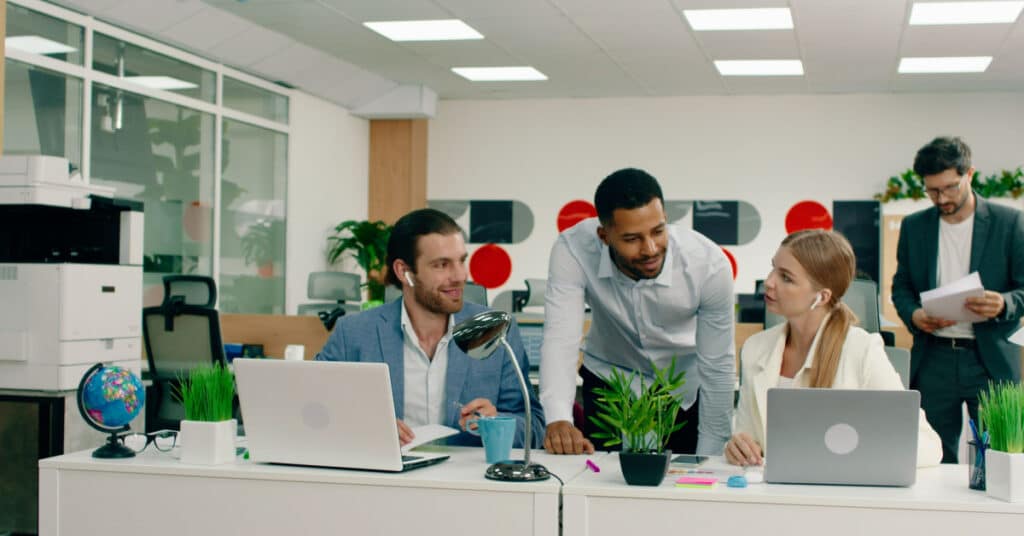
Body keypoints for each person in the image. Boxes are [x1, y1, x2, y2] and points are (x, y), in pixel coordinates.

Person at [541, 168, 736, 455]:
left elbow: (718, 365)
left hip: (682, 388)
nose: (650, 249)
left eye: (658, 231)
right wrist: (557, 419)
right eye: (632, 239)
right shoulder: (573, 249)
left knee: (683, 487)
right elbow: (560, 338)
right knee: (602, 484)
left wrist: (712, 454)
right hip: (610, 380)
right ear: (603, 235)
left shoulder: (708, 265)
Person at [316, 208, 545, 448]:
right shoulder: (354, 333)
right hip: (386, 480)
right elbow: (313, 409)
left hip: (467, 482)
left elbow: (535, 428)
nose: (459, 275)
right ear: (404, 272)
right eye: (441, 265)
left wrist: (496, 423)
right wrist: (367, 427)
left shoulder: (496, 330)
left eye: (461, 261)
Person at [726, 230, 942, 467]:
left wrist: (852, 453)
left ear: (821, 296)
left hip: (838, 495)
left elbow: (928, 445)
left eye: (786, 277)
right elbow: (746, 433)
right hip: (775, 494)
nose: (769, 282)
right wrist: (738, 447)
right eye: (773, 268)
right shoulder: (755, 348)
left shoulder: (862, 350)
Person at [892, 136, 1024, 463]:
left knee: (998, 457)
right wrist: (915, 314)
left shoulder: (1010, 223)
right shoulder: (914, 227)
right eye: (932, 190)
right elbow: (902, 286)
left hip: (989, 359)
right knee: (932, 456)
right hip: (934, 358)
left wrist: (1004, 304)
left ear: (970, 174)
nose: (942, 198)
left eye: (950, 187)